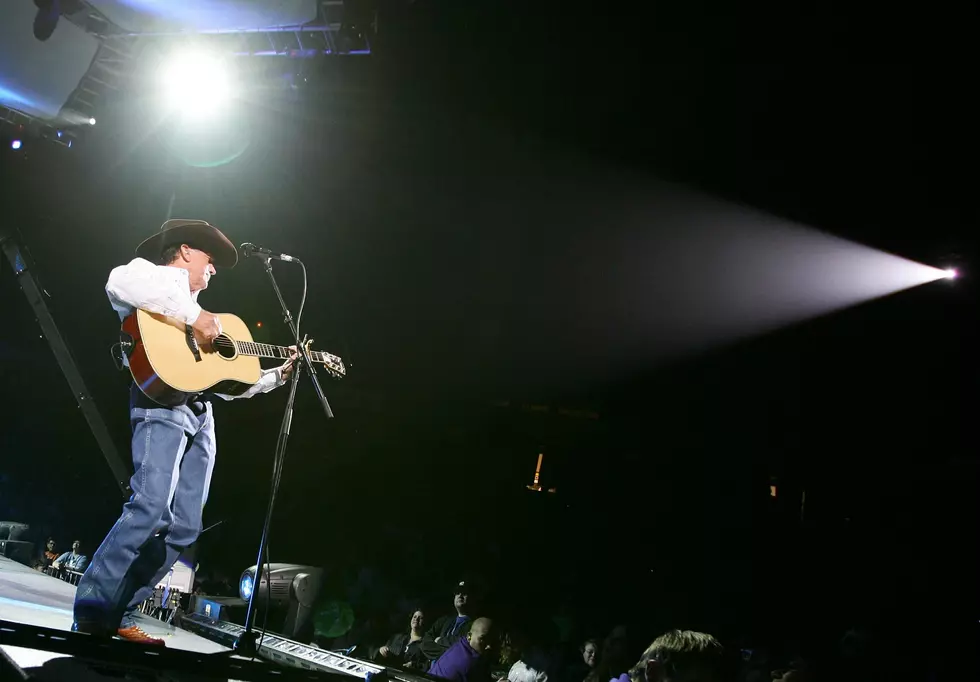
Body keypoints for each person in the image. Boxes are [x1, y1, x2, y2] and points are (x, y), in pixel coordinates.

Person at [72, 219, 296, 645]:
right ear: (187, 251)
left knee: (185, 528)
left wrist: (276, 376)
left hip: (201, 413)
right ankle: (92, 607)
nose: (213, 271)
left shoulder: (209, 319)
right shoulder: (153, 278)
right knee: (150, 508)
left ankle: (120, 610)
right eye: (210, 261)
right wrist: (195, 316)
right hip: (161, 403)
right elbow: (118, 282)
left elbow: (227, 381)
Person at [430, 617, 496, 682]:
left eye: (492, 641)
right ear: (469, 636)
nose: (489, 646)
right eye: (483, 639)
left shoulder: (461, 644)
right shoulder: (471, 662)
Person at [423, 581, 475, 660]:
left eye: (464, 592)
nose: (460, 595)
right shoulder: (444, 620)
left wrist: (439, 640)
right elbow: (425, 641)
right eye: (457, 592)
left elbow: (462, 645)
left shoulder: (474, 625)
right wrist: (448, 653)